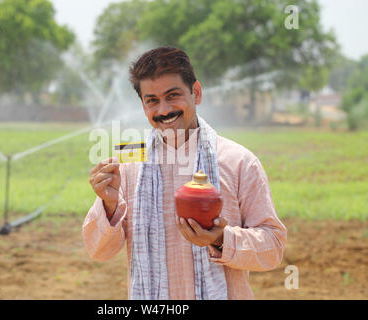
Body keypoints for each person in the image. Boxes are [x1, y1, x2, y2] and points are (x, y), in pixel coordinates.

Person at [83, 46, 287, 300]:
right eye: (152, 100)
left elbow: (274, 248)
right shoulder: (128, 161)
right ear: (143, 105)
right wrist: (109, 204)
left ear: (196, 93)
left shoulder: (238, 161)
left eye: (173, 95)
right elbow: (98, 251)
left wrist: (223, 238)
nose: (164, 110)